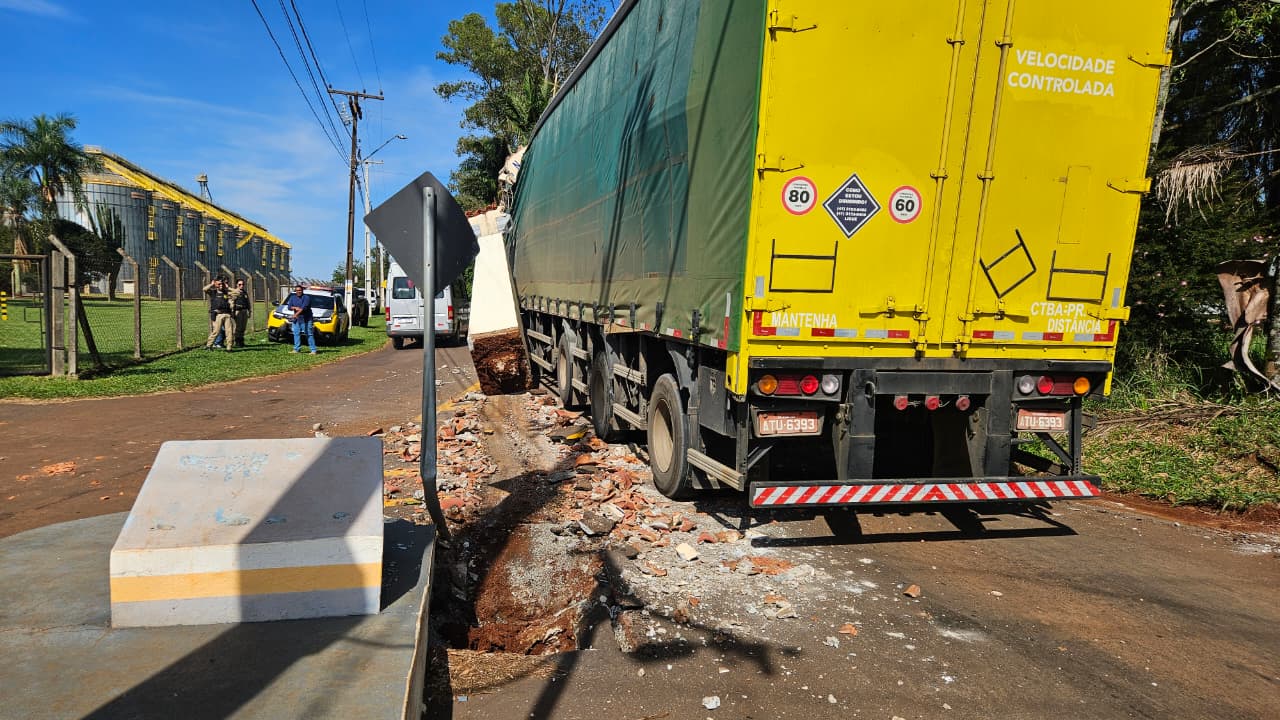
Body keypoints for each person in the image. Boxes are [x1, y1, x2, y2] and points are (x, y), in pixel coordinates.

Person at [284, 283, 317, 354]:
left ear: (302, 290)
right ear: (295, 291)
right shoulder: (293, 297)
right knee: (296, 333)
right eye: (297, 290)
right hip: (297, 319)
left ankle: (313, 350)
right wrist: (295, 308)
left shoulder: (306, 298)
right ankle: (296, 349)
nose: (298, 292)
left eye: (300, 290)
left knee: (309, 334)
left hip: (306, 319)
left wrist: (295, 314)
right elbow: (289, 307)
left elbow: (303, 308)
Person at [203, 277, 234, 352]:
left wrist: (228, 287)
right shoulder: (213, 292)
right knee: (216, 331)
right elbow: (204, 289)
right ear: (215, 284)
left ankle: (229, 347)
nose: (221, 285)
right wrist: (211, 284)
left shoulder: (226, 292)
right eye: (219, 284)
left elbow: (237, 292)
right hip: (218, 315)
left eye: (222, 284)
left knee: (229, 332)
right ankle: (209, 345)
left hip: (227, 315)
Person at [230, 278, 251, 348]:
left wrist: (249, 310)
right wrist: (232, 312)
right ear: (237, 285)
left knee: (243, 327)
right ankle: (237, 341)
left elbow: (248, 302)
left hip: (244, 311)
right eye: (240, 284)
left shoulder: (245, 292)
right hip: (238, 311)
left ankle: (241, 340)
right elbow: (232, 302)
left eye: (242, 284)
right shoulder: (235, 292)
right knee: (237, 327)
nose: (241, 286)